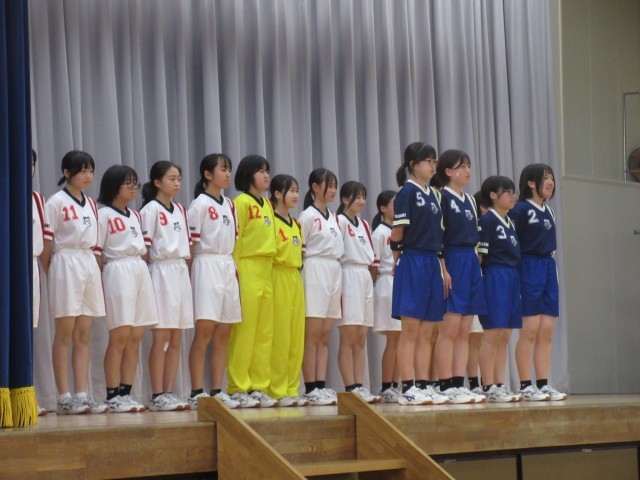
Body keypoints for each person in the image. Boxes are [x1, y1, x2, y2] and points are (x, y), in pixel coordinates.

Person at [40, 150, 107, 415]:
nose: (87, 176)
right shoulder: (55, 202)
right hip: (65, 262)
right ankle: (64, 397)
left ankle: (81, 393)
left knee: (83, 334)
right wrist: (53, 271)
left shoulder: (91, 204)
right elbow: (46, 245)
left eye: (91, 170)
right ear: (67, 172)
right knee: (64, 333)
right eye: (82, 170)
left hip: (87, 262)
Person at [96, 165, 158, 413]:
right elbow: (97, 252)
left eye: (136, 183)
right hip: (117, 269)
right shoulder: (103, 215)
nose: (134, 188)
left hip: (138, 269)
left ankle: (126, 393)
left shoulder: (135, 215)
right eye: (128, 183)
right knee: (119, 336)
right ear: (114, 185)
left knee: (135, 336)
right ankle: (111, 395)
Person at [391, 142, 448, 406]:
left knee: (429, 331)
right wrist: (397, 260)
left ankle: (423, 384)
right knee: (410, 330)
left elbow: (439, 236)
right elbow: (398, 232)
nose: (433, 165)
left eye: (435, 161)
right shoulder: (407, 192)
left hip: (432, 262)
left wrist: (443, 269)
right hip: (413, 260)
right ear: (413, 165)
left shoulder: (435, 195)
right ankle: (408, 387)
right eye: (428, 161)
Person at [186, 154, 242, 410]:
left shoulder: (229, 204)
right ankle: (197, 391)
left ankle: (217, 390)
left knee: (224, 331)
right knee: (205, 331)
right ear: (207, 174)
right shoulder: (199, 204)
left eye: (229, 169)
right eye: (223, 169)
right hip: (206, 264)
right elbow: (191, 244)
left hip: (227, 265)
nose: (228, 174)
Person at [432, 150, 486, 404]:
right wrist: (443, 268)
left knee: (465, 329)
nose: (467, 170)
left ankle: (458, 383)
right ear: (447, 171)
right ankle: (444, 384)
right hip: (452, 259)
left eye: (468, 165)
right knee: (449, 328)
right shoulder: (441, 197)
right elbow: (438, 237)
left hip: (470, 261)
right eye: (461, 166)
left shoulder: (471, 201)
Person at [140, 161, 193, 411]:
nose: (177, 183)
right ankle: (157, 394)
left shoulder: (181, 209)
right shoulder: (150, 210)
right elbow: (144, 249)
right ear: (157, 182)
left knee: (176, 337)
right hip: (160, 271)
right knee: (161, 336)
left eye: (179, 178)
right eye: (172, 178)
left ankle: (169, 392)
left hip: (179, 270)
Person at [511, 164, 567, 401]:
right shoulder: (520, 209)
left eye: (552, 177)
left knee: (547, 330)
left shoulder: (549, 211)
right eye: (546, 178)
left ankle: (543, 384)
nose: (551, 182)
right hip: (528, 267)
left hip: (548, 267)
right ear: (531, 182)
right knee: (530, 329)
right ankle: (525, 385)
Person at [226, 155, 277, 408]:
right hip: (247, 266)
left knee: (264, 332)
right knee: (245, 331)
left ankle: (259, 385)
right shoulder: (241, 203)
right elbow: (234, 241)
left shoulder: (267, 203)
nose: (266, 176)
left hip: (267, 268)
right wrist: (234, 272)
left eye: (267, 171)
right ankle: (238, 386)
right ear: (248, 175)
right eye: (260, 171)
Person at [299, 168, 344, 406]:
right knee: (313, 334)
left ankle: (321, 385)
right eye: (329, 185)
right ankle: (310, 388)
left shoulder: (334, 217)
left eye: (335, 186)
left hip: (333, 270)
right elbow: (299, 250)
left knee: (325, 334)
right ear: (315, 187)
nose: (333, 190)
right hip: (315, 270)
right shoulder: (307, 216)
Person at [477, 175, 522, 403]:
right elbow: (480, 258)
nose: (513, 196)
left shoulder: (510, 222)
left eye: (514, 192)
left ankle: (499, 383)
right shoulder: (487, 221)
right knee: (493, 332)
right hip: (494, 276)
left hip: (511, 276)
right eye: (508, 192)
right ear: (493, 195)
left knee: (505, 334)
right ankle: (488, 385)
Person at [336, 181, 380, 404]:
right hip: (348, 275)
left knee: (361, 337)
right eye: (357, 197)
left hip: (364, 277)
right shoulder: (340, 221)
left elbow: (372, 257)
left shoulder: (364, 224)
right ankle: (350, 386)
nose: (362, 201)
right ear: (345, 199)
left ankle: (360, 386)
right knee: (349, 335)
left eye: (364, 197)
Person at [267, 174, 308, 407]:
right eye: (291, 191)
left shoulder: (297, 223)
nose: (295, 195)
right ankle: (276, 389)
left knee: (295, 336)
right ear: (277, 193)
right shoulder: (270, 220)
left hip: (295, 277)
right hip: (277, 274)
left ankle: (292, 388)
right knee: (280, 336)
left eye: (296, 190)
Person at [370, 190, 401, 403]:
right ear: (383, 208)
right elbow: (374, 265)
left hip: (400, 284)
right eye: (394, 204)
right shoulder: (380, 233)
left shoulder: (400, 230)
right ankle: (386, 386)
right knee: (393, 338)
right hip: (386, 284)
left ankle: (395, 385)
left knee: (400, 338)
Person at [31, 150, 48, 416]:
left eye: (32, 162)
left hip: (30, 265)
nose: (29, 167)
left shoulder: (37, 198)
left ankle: (24, 393)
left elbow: (44, 242)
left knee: (27, 329)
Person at [467, 191, 489, 396]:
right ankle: (449, 382)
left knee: (479, 336)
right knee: (467, 335)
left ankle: (481, 382)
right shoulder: (475, 227)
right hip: (468, 280)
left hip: (481, 282)